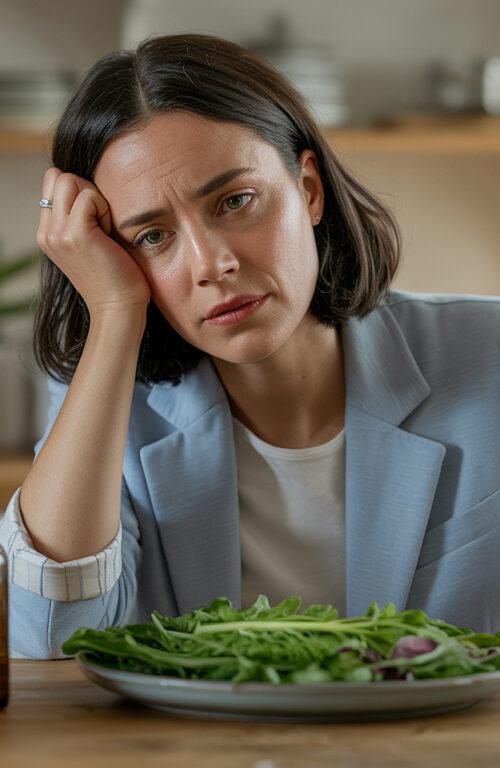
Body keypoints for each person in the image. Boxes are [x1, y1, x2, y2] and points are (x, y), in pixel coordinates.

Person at [1, 34, 499, 659]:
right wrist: (114, 310)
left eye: (236, 201)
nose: (213, 264)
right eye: (153, 237)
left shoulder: (491, 353)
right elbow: (53, 641)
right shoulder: (110, 408)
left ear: (309, 189)